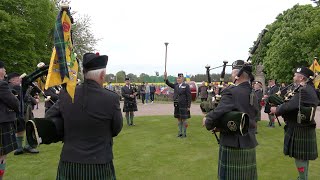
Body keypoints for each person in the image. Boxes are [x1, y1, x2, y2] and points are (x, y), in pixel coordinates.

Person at [45, 53, 123, 179]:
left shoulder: (67, 94)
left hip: (69, 162)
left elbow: (49, 116)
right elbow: (116, 129)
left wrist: (65, 130)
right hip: (100, 162)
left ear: (84, 74)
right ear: (102, 75)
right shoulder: (111, 98)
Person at [203, 60, 258, 180]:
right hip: (249, 141)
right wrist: (221, 126)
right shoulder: (254, 93)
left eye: (232, 73)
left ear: (236, 75)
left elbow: (219, 112)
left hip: (233, 143)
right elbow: (243, 116)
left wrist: (208, 121)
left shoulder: (232, 92)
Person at [270, 67, 318, 180]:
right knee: (303, 157)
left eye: (295, 75)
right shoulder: (308, 88)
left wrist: (276, 110)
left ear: (301, 77)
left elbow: (291, 105)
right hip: (304, 126)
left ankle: (302, 178)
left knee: (300, 157)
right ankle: (303, 177)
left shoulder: (304, 90)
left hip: (300, 127)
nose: (293, 76)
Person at [7, 72, 39, 155]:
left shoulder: (15, 87)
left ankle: (20, 147)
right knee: (27, 127)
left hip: (25, 110)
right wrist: (30, 93)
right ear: (12, 80)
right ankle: (26, 147)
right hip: (22, 110)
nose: (20, 80)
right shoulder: (15, 87)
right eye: (18, 79)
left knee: (21, 129)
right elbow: (24, 97)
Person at [0, 61, 20, 179]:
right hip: (2, 124)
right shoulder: (1, 84)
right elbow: (14, 103)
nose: (5, 71)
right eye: (4, 69)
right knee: (1, 156)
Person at [164, 72, 191, 138]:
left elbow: (189, 96)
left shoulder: (186, 86)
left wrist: (188, 106)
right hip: (177, 105)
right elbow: (168, 83)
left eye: (180, 78)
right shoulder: (175, 85)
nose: (178, 79)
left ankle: (184, 134)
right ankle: (180, 133)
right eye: (178, 78)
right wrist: (165, 77)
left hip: (184, 105)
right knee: (179, 119)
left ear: (182, 78)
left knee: (184, 119)